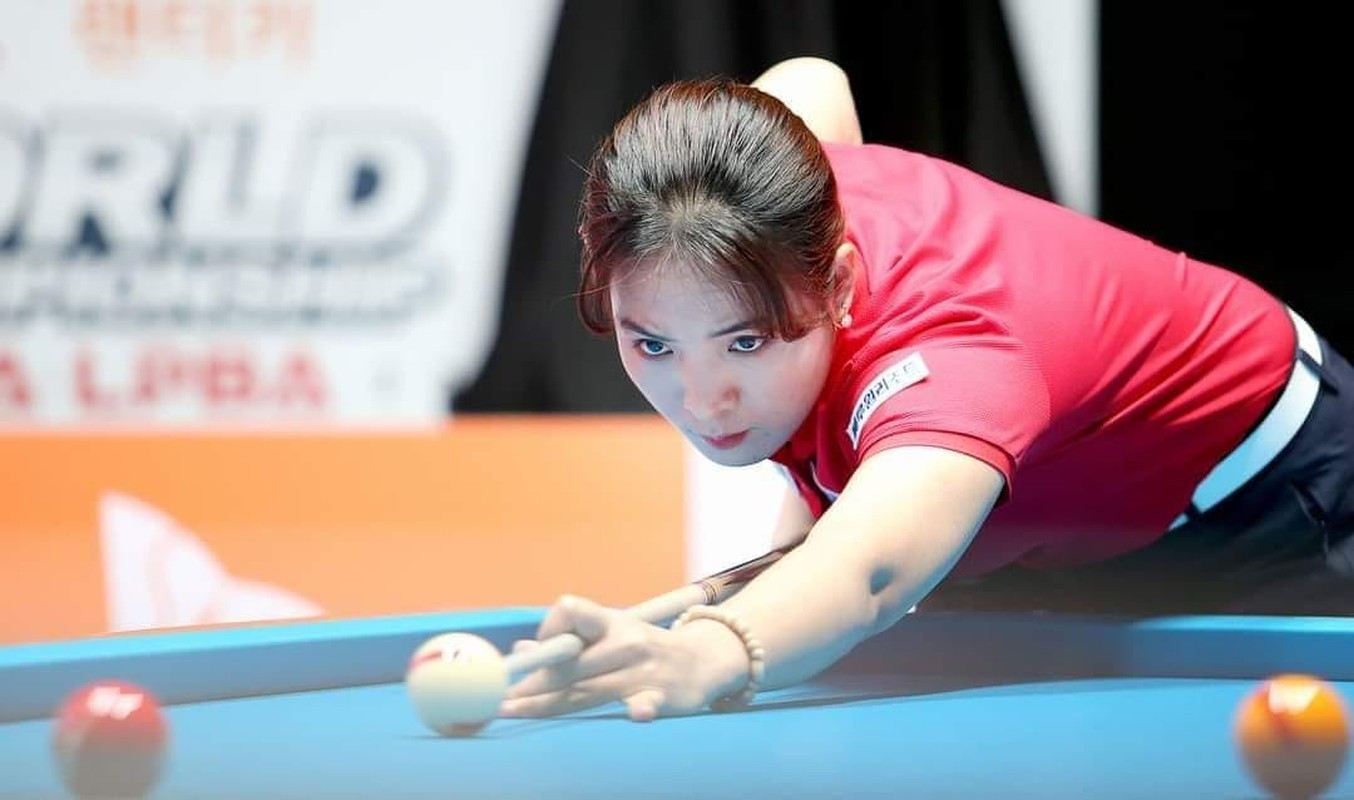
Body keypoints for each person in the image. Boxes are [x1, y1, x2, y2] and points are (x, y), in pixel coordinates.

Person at [498, 57, 1354, 723]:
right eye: (653, 344)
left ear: (838, 283)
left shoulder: (959, 362)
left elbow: (866, 575)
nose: (701, 398)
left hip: (1282, 504)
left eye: (746, 341)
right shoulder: (766, 180)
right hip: (1063, 519)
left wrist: (706, 654)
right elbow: (811, 80)